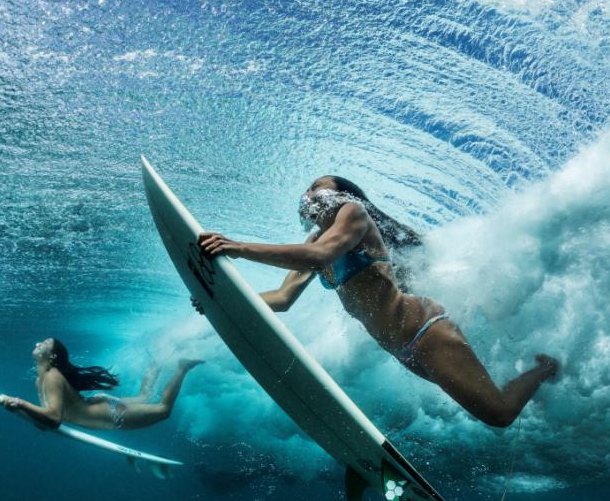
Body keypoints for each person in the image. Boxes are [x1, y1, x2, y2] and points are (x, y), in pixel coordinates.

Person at [195, 176, 558, 428]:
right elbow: (283, 297)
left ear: (343, 194)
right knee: (488, 408)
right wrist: (220, 301)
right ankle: (533, 371)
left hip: (426, 331)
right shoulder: (313, 239)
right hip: (403, 351)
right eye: (308, 188)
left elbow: (318, 255)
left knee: (499, 414)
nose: (309, 192)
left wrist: (238, 248)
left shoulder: (353, 214)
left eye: (318, 186)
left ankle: (545, 368)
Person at [0, 337, 201, 430]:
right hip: (101, 405)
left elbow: (54, 418)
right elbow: (49, 413)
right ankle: (155, 366)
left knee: (163, 410)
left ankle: (182, 368)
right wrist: (30, 414)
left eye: (44, 344)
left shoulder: (51, 376)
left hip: (112, 415)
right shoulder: (40, 380)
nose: (37, 344)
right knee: (144, 398)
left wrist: (20, 404)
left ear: (51, 357)